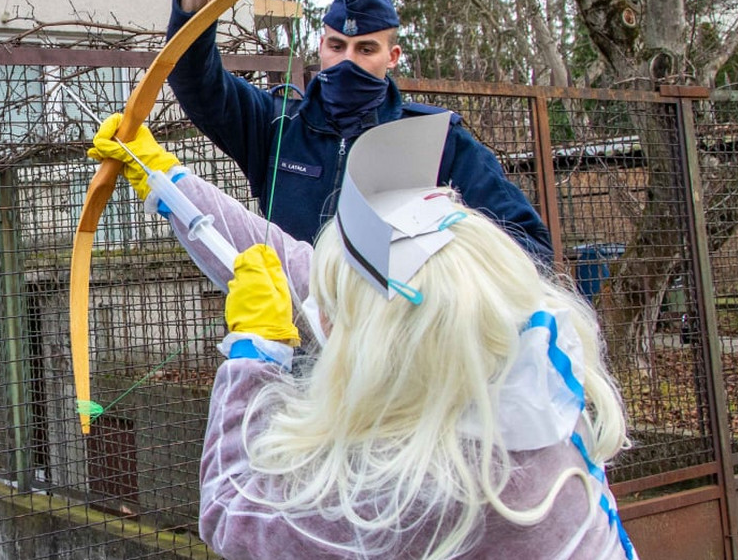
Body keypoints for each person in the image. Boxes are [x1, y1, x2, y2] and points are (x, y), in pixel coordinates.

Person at [89, 112, 638, 559]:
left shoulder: (425, 493)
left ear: (385, 340)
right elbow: (293, 267)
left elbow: (234, 514)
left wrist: (254, 353)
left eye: (342, 306)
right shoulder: (507, 366)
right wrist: (165, 181)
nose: (324, 311)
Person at [165, 0, 553, 262]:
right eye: (337, 46)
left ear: (393, 56)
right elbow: (197, 84)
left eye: (366, 49)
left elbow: (526, 244)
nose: (347, 61)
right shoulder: (277, 126)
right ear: (321, 47)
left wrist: (443, 281)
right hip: (294, 331)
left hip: (391, 333)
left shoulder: (437, 140)